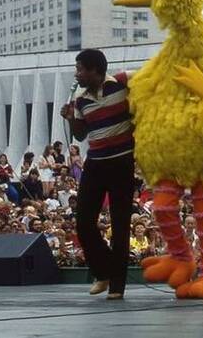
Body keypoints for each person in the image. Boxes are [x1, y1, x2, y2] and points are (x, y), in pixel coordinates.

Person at [61, 49, 135, 300]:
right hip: (95, 163)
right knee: (83, 223)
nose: (77, 73)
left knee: (121, 224)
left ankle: (117, 285)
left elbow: (150, 84)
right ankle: (103, 271)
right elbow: (80, 135)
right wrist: (71, 118)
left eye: (80, 68)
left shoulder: (123, 82)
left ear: (95, 70)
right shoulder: (81, 99)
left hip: (122, 162)